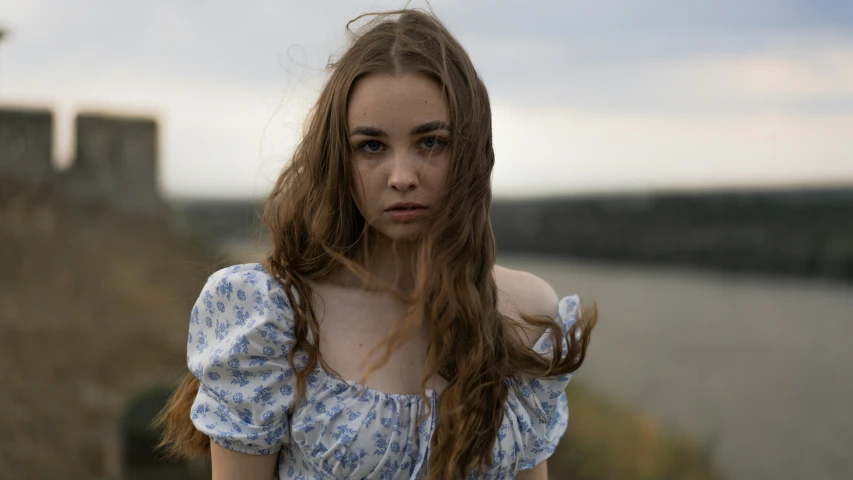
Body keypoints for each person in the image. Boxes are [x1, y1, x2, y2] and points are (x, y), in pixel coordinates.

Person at [156, 8, 597, 480]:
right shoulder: (270, 315)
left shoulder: (526, 314)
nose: (402, 177)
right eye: (372, 146)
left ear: (469, 149)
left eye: (431, 142)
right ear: (336, 159)